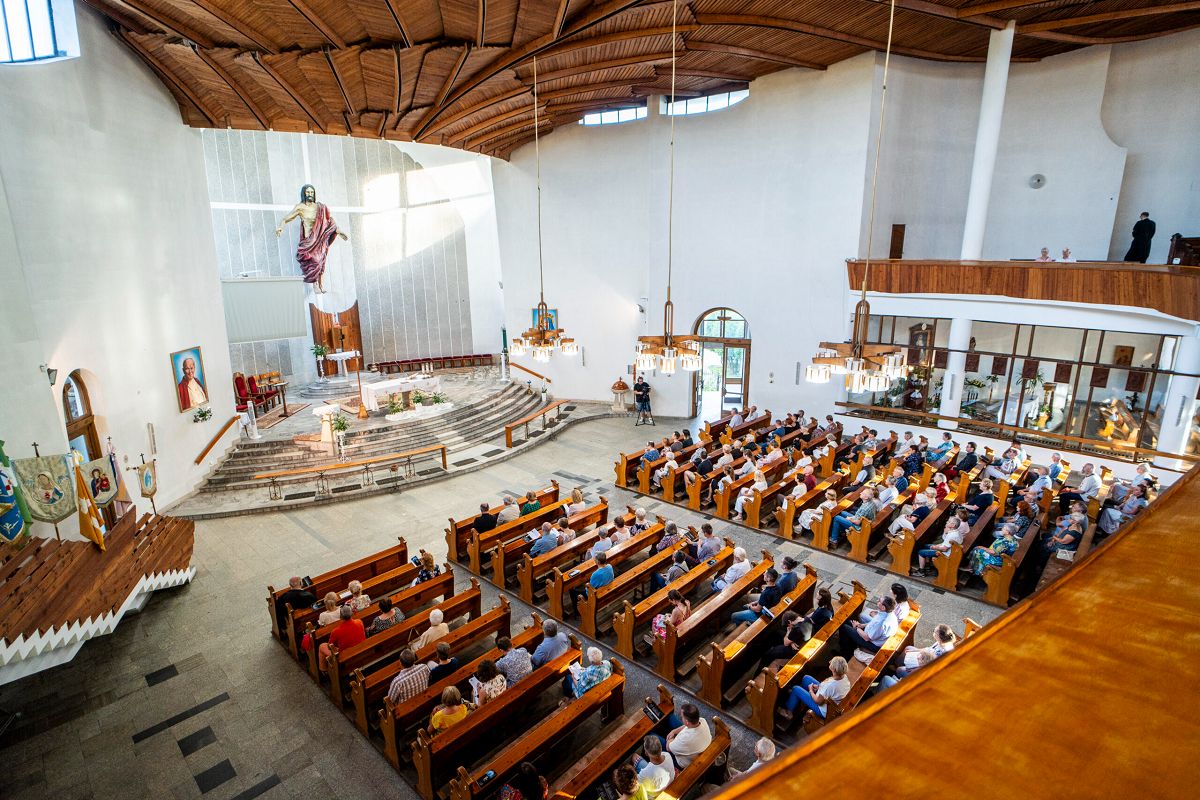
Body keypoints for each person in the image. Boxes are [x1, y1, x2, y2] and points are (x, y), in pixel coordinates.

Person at [778, 656, 850, 722]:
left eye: (831, 663)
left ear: (833, 669)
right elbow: (828, 688)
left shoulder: (829, 686)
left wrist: (811, 691)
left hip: (823, 709)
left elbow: (818, 702)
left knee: (796, 689)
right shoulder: (843, 676)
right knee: (806, 678)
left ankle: (788, 713)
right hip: (829, 699)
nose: (830, 662)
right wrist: (819, 687)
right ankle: (796, 697)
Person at [653, 703, 712, 769]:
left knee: (651, 737)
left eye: (682, 717)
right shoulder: (702, 721)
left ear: (687, 721)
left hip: (680, 761)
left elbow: (668, 748)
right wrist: (674, 731)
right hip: (691, 745)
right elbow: (685, 726)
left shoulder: (685, 740)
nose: (681, 718)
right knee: (669, 716)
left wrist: (671, 738)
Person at [913, 511, 966, 577]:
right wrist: (938, 545)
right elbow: (946, 544)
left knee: (921, 552)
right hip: (949, 550)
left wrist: (935, 547)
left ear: (953, 525)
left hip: (945, 554)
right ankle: (927, 566)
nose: (947, 522)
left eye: (949, 521)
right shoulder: (957, 532)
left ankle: (921, 572)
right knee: (926, 546)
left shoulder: (952, 535)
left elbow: (945, 549)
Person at [320, 606, 365, 673]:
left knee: (322, 646)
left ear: (340, 617)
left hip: (345, 655)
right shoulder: (359, 622)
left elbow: (330, 647)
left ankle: (323, 669)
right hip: (361, 649)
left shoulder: (336, 631)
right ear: (352, 614)